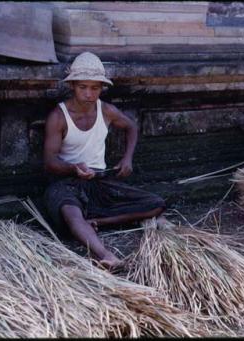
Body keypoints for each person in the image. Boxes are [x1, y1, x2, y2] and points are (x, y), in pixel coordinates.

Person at [43, 51, 167, 271]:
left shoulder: (107, 111)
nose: (89, 94)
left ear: (101, 88)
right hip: (66, 183)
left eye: (95, 88)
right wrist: (74, 168)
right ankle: (105, 255)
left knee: (156, 204)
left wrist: (127, 158)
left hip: (99, 181)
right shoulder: (59, 116)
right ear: (72, 86)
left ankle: (98, 222)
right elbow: (49, 161)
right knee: (70, 212)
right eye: (83, 87)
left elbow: (131, 127)